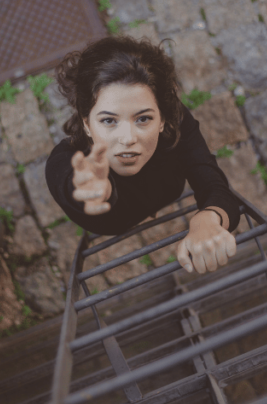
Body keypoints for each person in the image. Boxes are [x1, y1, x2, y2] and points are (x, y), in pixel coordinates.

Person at [45, 35, 242, 275]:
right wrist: (90, 188)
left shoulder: (175, 122)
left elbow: (211, 180)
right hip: (115, 221)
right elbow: (65, 178)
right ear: (86, 123)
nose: (127, 138)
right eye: (109, 120)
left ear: (162, 119)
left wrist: (208, 219)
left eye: (143, 119)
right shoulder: (64, 158)